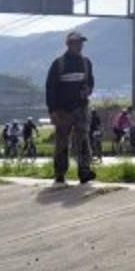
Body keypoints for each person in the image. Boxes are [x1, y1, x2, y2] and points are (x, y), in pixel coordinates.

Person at [45, 30, 96, 185]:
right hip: (62, 111)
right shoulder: (59, 64)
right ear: (68, 44)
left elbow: (91, 82)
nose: (80, 45)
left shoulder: (86, 63)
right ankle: (60, 173)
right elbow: (50, 88)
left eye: (81, 42)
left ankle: (84, 172)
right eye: (77, 42)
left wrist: (88, 89)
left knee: (83, 140)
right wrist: (52, 111)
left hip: (81, 109)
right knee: (62, 142)